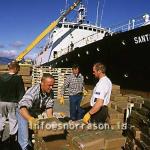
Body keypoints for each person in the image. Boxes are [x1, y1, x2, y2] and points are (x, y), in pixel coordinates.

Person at [17, 73, 55, 150]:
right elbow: (22, 107)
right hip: (23, 112)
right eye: (49, 85)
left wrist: (51, 119)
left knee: (34, 133)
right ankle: (24, 147)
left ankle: (32, 145)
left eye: (52, 85)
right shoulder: (33, 92)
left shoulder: (50, 92)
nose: (51, 88)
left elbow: (49, 107)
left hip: (35, 112)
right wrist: (30, 119)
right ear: (42, 83)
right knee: (24, 137)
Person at [0, 60, 25, 147]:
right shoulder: (18, 78)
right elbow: (21, 92)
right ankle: (12, 141)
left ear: (9, 68)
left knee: (1, 119)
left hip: (1, 102)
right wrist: (21, 103)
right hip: (12, 102)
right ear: (15, 68)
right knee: (13, 120)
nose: (18, 70)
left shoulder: (1, 77)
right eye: (18, 68)